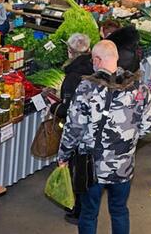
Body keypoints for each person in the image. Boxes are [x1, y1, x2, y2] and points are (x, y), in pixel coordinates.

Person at [58, 40, 151, 234]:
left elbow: (74, 128)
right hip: (124, 166)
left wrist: (64, 155)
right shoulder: (139, 87)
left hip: (92, 166)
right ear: (116, 58)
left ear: (96, 60)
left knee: (88, 213)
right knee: (119, 211)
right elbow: (148, 125)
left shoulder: (87, 88)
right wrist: (126, 140)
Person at [49, 33, 93, 225]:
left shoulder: (72, 76)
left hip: (77, 133)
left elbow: (68, 110)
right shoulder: (94, 67)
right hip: (93, 131)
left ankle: (77, 210)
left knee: (77, 171)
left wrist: (53, 107)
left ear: (70, 51)